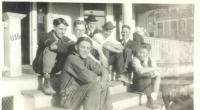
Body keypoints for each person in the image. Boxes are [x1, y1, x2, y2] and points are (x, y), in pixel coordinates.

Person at [60, 37, 112, 110]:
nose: (85, 50)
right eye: (83, 47)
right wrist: (100, 78)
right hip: (68, 98)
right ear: (76, 47)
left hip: (81, 93)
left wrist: (103, 80)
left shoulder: (86, 58)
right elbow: (90, 78)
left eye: (88, 48)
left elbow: (104, 70)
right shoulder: (72, 58)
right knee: (95, 85)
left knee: (103, 84)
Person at [32, 18, 74, 95]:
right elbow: (52, 46)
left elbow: (73, 46)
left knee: (72, 53)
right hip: (40, 66)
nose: (63, 32)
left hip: (55, 67)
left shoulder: (64, 38)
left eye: (65, 29)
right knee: (50, 50)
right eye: (61, 29)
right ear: (54, 27)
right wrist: (66, 47)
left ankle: (69, 82)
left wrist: (66, 47)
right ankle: (46, 82)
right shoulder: (46, 36)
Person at [132, 43, 161, 109]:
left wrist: (154, 72)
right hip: (138, 82)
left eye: (144, 52)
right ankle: (152, 102)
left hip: (148, 80)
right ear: (138, 52)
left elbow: (156, 72)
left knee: (157, 77)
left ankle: (152, 101)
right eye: (140, 52)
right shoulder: (135, 59)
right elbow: (140, 71)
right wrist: (154, 69)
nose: (142, 54)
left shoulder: (151, 59)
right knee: (151, 79)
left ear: (148, 53)